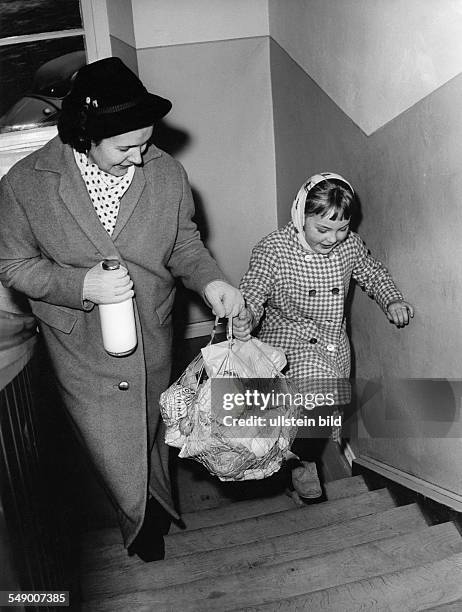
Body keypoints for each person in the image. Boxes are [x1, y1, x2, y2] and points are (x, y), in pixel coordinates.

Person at [0, 57, 244, 562]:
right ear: (85, 136)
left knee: (151, 433)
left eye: (146, 143)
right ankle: (140, 526)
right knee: (112, 449)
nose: (140, 158)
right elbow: (14, 265)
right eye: (126, 147)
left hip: (153, 334)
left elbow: (184, 245)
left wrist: (212, 281)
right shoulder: (24, 184)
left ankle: (153, 510)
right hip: (79, 347)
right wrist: (78, 283)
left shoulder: (167, 172)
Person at [233, 172, 414, 499]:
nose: (333, 238)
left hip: (332, 343)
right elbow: (253, 291)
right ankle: (302, 464)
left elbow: (371, 272)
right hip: (288, 339)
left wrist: (391, 298)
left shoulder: (350, 246)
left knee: (317, 413)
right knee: (304, 409)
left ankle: (298, 458)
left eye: (342, 228)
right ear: (301, 215)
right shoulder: (274, 249)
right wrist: (245, 315)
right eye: (323, 229)